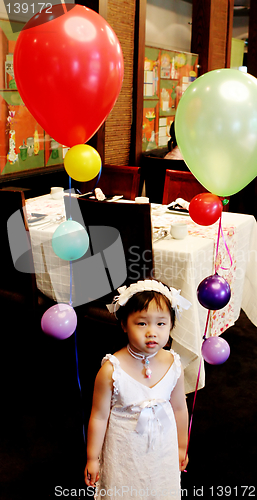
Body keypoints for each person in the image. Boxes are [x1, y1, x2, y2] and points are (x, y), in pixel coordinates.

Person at [84, 279, 191, 500]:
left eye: (161, 324)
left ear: (171, 325)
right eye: (142, 323)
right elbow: (99, 416)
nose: (152, 332)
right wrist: (93, 458)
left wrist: (182, 446)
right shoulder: (111, 370)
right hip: (125, 449)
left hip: (163, 447)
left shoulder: (174, 364)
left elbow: (179, 408)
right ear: (124, 324)